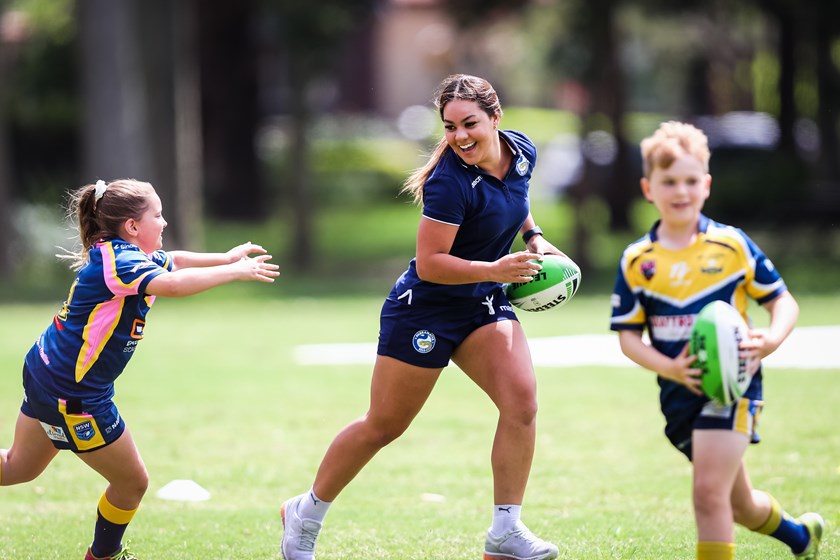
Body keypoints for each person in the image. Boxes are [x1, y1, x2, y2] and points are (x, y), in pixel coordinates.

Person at [280, 74, 564, 560]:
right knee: (384, 425)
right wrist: (496, 268)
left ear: (497, 118)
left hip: (481, 303)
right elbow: (432, 263)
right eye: (450, 127)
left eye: (470, 123)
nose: (460, 137)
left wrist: (535, 238)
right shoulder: (448, 181)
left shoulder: (522, 151)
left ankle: (505, 532)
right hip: (425, 310)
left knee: (522, 403)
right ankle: (305, 513)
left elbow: (516, 203)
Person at [0, 178, 280, 560]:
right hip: (74, 391)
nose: (164, 223)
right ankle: (103, 557)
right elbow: (174, 285)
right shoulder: (123, 261)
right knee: (132, 483)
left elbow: (175, 261)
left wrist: (226, 257)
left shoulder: (119, 252)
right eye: (158, 215)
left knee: (18, 467)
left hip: (47, 370)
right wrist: (235, 273)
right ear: (132, 226)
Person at [610, 121, 825, 560]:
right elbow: (628, 337)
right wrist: (669, 367)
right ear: (648, 188)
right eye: (669, 181)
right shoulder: (638, 260)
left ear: (706, 186)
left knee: (708, 494)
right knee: (738, 503)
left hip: (733, 385)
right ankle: (800, 537)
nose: (681, 191)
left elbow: (783, 302)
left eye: (691, 181)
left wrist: (772, 339)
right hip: (677, 395)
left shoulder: (731, 245)